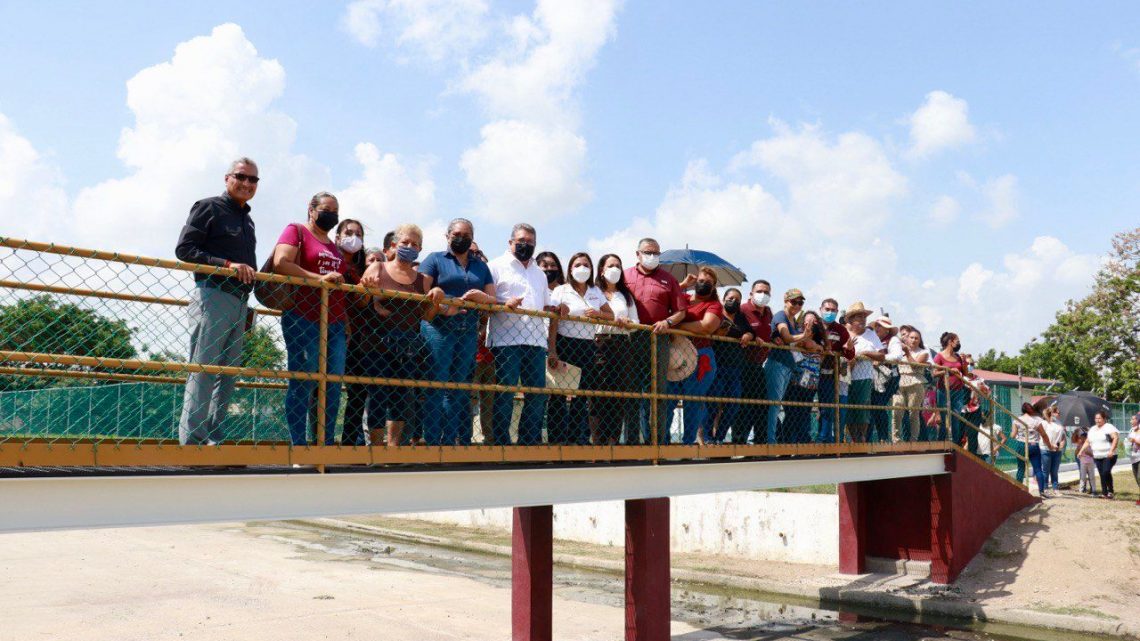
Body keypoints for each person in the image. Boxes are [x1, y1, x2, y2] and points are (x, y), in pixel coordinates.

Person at [174, 157, 259, 446]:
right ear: (227, 178)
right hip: (213, 294)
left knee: (228, 375)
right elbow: (185, 249)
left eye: (253, 179)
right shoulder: (208, 207)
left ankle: (213, 437)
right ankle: (192, 442)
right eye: (241, 176)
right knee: (205, 368)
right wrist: (225, 264)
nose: (247, 183)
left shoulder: (247, 220)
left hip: (239, 301)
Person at [272, 192, 348, 446]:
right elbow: (281, 261)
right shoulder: (296, 230)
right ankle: (299, 446)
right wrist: (318, 279)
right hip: (303, 318)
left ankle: (323, 444)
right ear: (312, 209)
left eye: (336, 211)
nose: (332, 215)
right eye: (327, 209)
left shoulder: (333, 245)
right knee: (303, 381)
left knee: (333, 386)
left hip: (335, 322)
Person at [418, 218, 497, 446]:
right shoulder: (434, 259)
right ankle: (433, 441)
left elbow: (493, 298)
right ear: (448, 235)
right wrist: (443, 308)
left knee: (459, 388)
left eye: (467, 235)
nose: (462, 238)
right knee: (437, 384)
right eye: (457, 234)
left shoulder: (481, 267)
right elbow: (422, 293)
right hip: (438, 329)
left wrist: (483, 298)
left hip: (467, 332)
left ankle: (450, 441)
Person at [359, 224, 437, 447]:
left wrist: (436, 299)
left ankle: (392, 450)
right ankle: (374, 449)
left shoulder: (424, 280)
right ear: (394, 245)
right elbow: (359, 303)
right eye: (405, 243)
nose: (409, 247)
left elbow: (428, 316)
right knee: (377, 394)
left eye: (414, 244)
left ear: (420, 248)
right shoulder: (377, 269)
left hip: (409, 344)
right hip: (377, 342)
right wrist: (367, 291)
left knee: (401, 396)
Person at [487, 224, 561, 445]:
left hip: (536, 341)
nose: (525, 245)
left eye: (530, 242)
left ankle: (528, 441)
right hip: (506, 340)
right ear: (510, 242)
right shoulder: (495, 266)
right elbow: (488, 302)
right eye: (521, 240)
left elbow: (545, 306)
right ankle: (501, 443)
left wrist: (557, 309)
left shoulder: (539, 273)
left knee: (537, 394)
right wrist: (504, 304)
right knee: (505, 393)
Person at [624, 238, 687, 444]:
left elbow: (681, 312)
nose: (652, 256)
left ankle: (656, 443)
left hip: (658, 338)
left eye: (656, 253)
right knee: (631, 392)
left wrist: (668, 321)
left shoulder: (669, 280)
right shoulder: (624, 276)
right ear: (638, 254)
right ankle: (632, 443)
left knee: (657, 392)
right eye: (648, 252)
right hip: (630, 339)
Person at [548, 252, 613, 444]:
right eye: (577, 265)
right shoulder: (561, 290)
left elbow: (610, 315)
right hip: (565, 342)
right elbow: (553, 321)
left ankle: (577, 439)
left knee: (581, 395)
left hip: (587, 345)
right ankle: (557, 438)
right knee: (559, 393)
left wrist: (598, 313)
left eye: (586, 264)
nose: (582, 268)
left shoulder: (595, 291)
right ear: (570, 269)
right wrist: (553, 349)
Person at [667, 267, 722, 445]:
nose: (703, 283)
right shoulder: (682, 298)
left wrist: (678, 326)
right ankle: (661, 442)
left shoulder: (714, 305)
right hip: (676, 354)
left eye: (708, 282)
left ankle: (688, 444)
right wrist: (682, 285)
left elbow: (706, 326)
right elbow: (665, 305)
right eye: (700, 280)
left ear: (713, 286)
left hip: (701, 356)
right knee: (668, 399)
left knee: (693, 401)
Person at [593, 254, 640, 445]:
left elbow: (636, 321)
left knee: (618, 393)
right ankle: (598, 441)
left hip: (621, 344)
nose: (615, 269)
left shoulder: (625, 296)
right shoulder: (593, 291)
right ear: (602, 270)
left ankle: (613, 439)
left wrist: (628, 322)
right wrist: (609, 319)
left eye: (618, 266)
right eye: (611, 265)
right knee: (598, 391)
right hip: (599, 342)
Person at [336, 219, 372, 446]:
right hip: (332, 328)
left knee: (358, 391)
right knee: (321, 389)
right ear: (337, 236)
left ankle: (348, 443)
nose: (353, 237)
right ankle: (320, 442)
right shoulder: (329, 258)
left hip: (361, 336)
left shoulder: (364, 267)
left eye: (358, 234)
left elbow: (364, 303)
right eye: (348, 233)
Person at [765, 289, 817, 444]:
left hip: (788, 366)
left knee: (779, 404)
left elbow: (795, 341)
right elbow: (787, 337)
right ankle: (770, 441)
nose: (797, 305)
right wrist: (804, 335)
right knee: (774, 405)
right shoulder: (781, 316)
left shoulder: (793, 320)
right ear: (785, 301)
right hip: (778, 363)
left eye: (800, 303)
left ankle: (775, 438)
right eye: (793, 302)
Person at [707, 288, 753, 443]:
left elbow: (750, 331)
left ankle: (719, 437)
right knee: (712, 404)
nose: (733, 301)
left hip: (735, 368)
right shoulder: (716, 313)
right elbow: (708, 332)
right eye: (730, 298)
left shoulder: (740, 317)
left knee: (733, 406)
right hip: (717, 366)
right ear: (724, 299)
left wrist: (748, 335)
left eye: (737, 299)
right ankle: (707, 437)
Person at [733, 280, 773, 444]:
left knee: (762, 405)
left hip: (759, 364)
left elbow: (770, 331)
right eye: (759, 291)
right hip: (742, 363)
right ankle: (739, 441)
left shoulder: (769, 312)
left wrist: (775, 339)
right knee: (744, 406)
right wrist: (750, 335)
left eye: (766, 292)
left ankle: (760, 441)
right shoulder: (742, 310)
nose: (763, 295)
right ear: (751, 293)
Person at [782, 310, 825, 444]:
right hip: (794, 381)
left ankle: (803, 441)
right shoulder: (797, 334)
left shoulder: (821, 340)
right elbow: (804, 344)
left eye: (813, 321)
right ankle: (787, 442)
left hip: (811, 382)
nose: (810, 323)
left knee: (804, 412)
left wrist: (817, 346)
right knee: (792, 412)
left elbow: (822, 353)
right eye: (807, 320)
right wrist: (808, 340)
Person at [844, 302, 884, 443]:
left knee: (862, 408)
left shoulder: (871, 334)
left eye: (863, 317)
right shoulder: (843, 332)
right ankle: (853, 438)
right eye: (858, 317)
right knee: (848, 408)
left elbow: (881, 355)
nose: (862, 320)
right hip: (845, 377)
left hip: (864, 377)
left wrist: (865, 353)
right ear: (850, 319)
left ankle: (862, 438)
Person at [816, 298, 853, 444]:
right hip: (809, 373)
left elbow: (850, 354)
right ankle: (799, 440)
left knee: (827, 409)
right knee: (802, 407)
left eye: (833, 310)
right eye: (827, 309)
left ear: (837, 312)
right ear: (821, 309)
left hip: (830, 375)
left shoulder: (840, 330)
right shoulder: (814, 325)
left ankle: (824, 440)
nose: (830, 312)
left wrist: (849, 349)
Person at [892, 325, 930, 442]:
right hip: (900, 383)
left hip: (916, 383)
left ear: (920, 340)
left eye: (916, 338)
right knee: (896, 411)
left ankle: (913, 439)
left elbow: (915, 365)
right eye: (911, 337)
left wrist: (907, 353)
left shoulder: (923, 352)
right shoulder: (899, 351)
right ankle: (896, 439)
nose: (913, 340)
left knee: (913, 413)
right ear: (907, 339)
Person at [933, 332, 970, 445]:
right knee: (944, 419)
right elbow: (934, 373)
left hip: (958, 391)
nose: (959, 343)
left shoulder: (958, 356)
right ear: (950, 342)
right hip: (943, 391)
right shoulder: (939, 356)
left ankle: (954, 444)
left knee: (956, 419)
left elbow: (966, 373)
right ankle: (941, 443)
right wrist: (948, 370)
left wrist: (964, 362)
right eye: (957, 341)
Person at [869, 314, 900, 443]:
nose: (877, 328)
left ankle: (883, 437)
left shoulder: (893, 340)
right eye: (876, 325)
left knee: (879, 405)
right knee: (873, 407)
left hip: (889, 377)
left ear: (887, 329)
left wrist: (880, 358)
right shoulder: (873, 340)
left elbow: (897, 356)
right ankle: (875, 437)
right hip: (875, 377)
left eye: (880, 326)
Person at [1011, 403, 1054, 496]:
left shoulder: (1017, 420)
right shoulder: (1036, 420)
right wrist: (1050, 446)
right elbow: (1044, 435)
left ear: (1022, 410)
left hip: (1021, 445)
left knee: (1021, 468)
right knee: (1038, 469)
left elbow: (1013, 435)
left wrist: (1018, 436)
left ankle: (1018, 490)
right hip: (1034, 445)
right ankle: (1042, 491)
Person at [1078, 410, 1119, 499]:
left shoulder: (1109, 427)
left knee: (1105, 472)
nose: (1097, 420)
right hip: (1097, 455)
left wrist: (1111, 450)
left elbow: (1115, 438)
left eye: (1099, 418)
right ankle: (1104, 493)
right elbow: (1087, 441)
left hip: (1109, 455)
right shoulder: (1092, 429)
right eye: (1096, 418)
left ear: (1104, 418)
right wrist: (1081, 451)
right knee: (1102, 473)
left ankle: (1110, 491)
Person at [1040, 407, 1067, 495]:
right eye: (1057, 413)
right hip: (1046, 449)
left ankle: (1056, 489)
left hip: (1057, 450)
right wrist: (1051, 445)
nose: (1059, 415)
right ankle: (1045, 489)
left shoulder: (1059, 423)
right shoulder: (1044, 423)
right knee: (1046, 470)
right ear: (1051, 413)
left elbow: (1062, 436)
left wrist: (1061, 445)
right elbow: (1044, 436)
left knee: (1055, 471)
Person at [1073, 428, 1096, 494]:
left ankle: (1094, 490)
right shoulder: (1080, 445)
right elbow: (1076, 454)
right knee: (1082, 477)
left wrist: (1088, 452)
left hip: (1090, 462)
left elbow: (1093, 455)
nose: (1082, 439)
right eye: (1081, 438)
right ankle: (1081, 489)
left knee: (1091, 477)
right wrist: (1078, 449)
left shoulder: (1090, 445)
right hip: (1083, 462)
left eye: (1084, 438)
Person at [1128, 414, 1140, 506]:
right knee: (1137, 478)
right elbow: (1129, 440)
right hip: (1133, 457)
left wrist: (1134, 440)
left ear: (1138, 420)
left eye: (1132, 419)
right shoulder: (1131, 430)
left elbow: (1135, 441)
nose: (1130, 421)